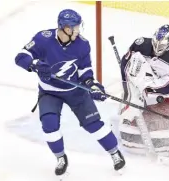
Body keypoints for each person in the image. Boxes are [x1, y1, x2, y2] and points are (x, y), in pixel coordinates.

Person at [14, 9, 125, 177]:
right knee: (49, 126)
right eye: (75, 27)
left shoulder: (82, 44)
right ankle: (60, 158)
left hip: (75, 91)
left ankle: (114, 152)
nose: (78, 31)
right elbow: (21, 56)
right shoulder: (43, 39)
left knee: (94, 124)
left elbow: (85, 72)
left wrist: (93, 86)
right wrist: (35, 64)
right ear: (65, 27)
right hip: (49, 92)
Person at [118, 24, 169, 156]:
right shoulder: (140, 44)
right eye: (156, 43)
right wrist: (127, 85)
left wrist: (152, 90)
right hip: (141, 89)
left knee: (161, 129)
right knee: (133, 122)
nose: (157, 48)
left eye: (162, 46)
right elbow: (126, 62)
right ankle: (130, 114)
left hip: (166, 95)